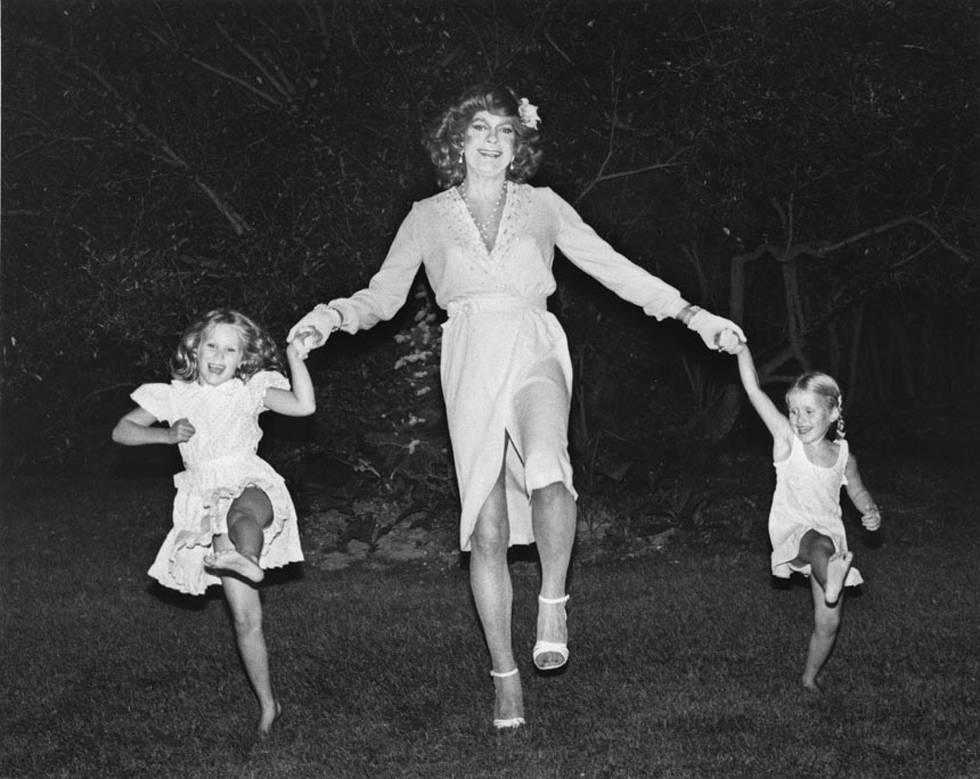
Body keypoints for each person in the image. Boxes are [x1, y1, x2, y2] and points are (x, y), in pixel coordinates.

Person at [288, 84, 744, 729]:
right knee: (490, 529)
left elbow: (613, 266)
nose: (492, 140)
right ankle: (505, 678)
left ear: (519, 143)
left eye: (505, 130)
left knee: (550, 466)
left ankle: (553, 602)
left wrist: (693, 314)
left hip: (533, 342)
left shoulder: (544, 207)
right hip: (470, 356)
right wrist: (328, 319)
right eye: (479, 128)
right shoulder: (425, 215)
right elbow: (383, 296)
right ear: (457, 141)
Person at [112, 308, 315, 736]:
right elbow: (124, 431)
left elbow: (303, 405)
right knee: (245, 619)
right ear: (195, 348)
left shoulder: (251, 388)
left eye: (230, 349)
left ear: (244, 357)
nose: (219, 357)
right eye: (211, 346)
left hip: (252, 483)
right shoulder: (174, 395)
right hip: (206, 504)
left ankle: (247, 557)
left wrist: (296, 357)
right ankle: (268, 705)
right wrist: (166, 435)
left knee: (242, 510)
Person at [734, 343, 882, 692]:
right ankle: (830, 572)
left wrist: (870, 510)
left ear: (833, 413)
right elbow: (754, 390)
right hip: (794, 530)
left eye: (808, 412)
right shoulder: (786, 441)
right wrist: (741, 349)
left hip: (831, 541)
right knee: (820, 543)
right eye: (793, 411)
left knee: (828, 621)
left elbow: (858, 491)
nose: (798, 420)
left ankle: (809, 678)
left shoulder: (844, 456)